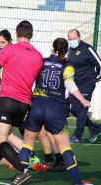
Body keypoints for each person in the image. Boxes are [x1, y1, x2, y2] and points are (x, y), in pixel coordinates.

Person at [0, 20, 43, 185]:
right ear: (31, 35)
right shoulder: (38, 56)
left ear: (16, 35)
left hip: (7, 100)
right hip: (24, 103)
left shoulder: (9, 50)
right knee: (1, 140)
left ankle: (22, 170)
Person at [18, 38, 93, 185]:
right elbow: (69, 84)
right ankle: (77, 182)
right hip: (55, 108)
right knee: (65, 148)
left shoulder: (42, 61)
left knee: (27, 144)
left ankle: (19, 177)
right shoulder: (68, 66)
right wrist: (82, 100)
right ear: (67, 50)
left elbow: (28, 78)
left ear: (53, 49)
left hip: (37, 105)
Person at [67, 29, 101, 144]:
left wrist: (97, 77)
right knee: (74, 110)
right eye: (70, 39)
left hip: (87, 83)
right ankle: (94, 127)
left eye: (74, 38)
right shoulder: (70, 50)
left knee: (81, 111)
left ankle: (77, 137)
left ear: (79, 38)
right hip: (75, 85)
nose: (72, 41)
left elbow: (99, 63)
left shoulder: (87, 49)